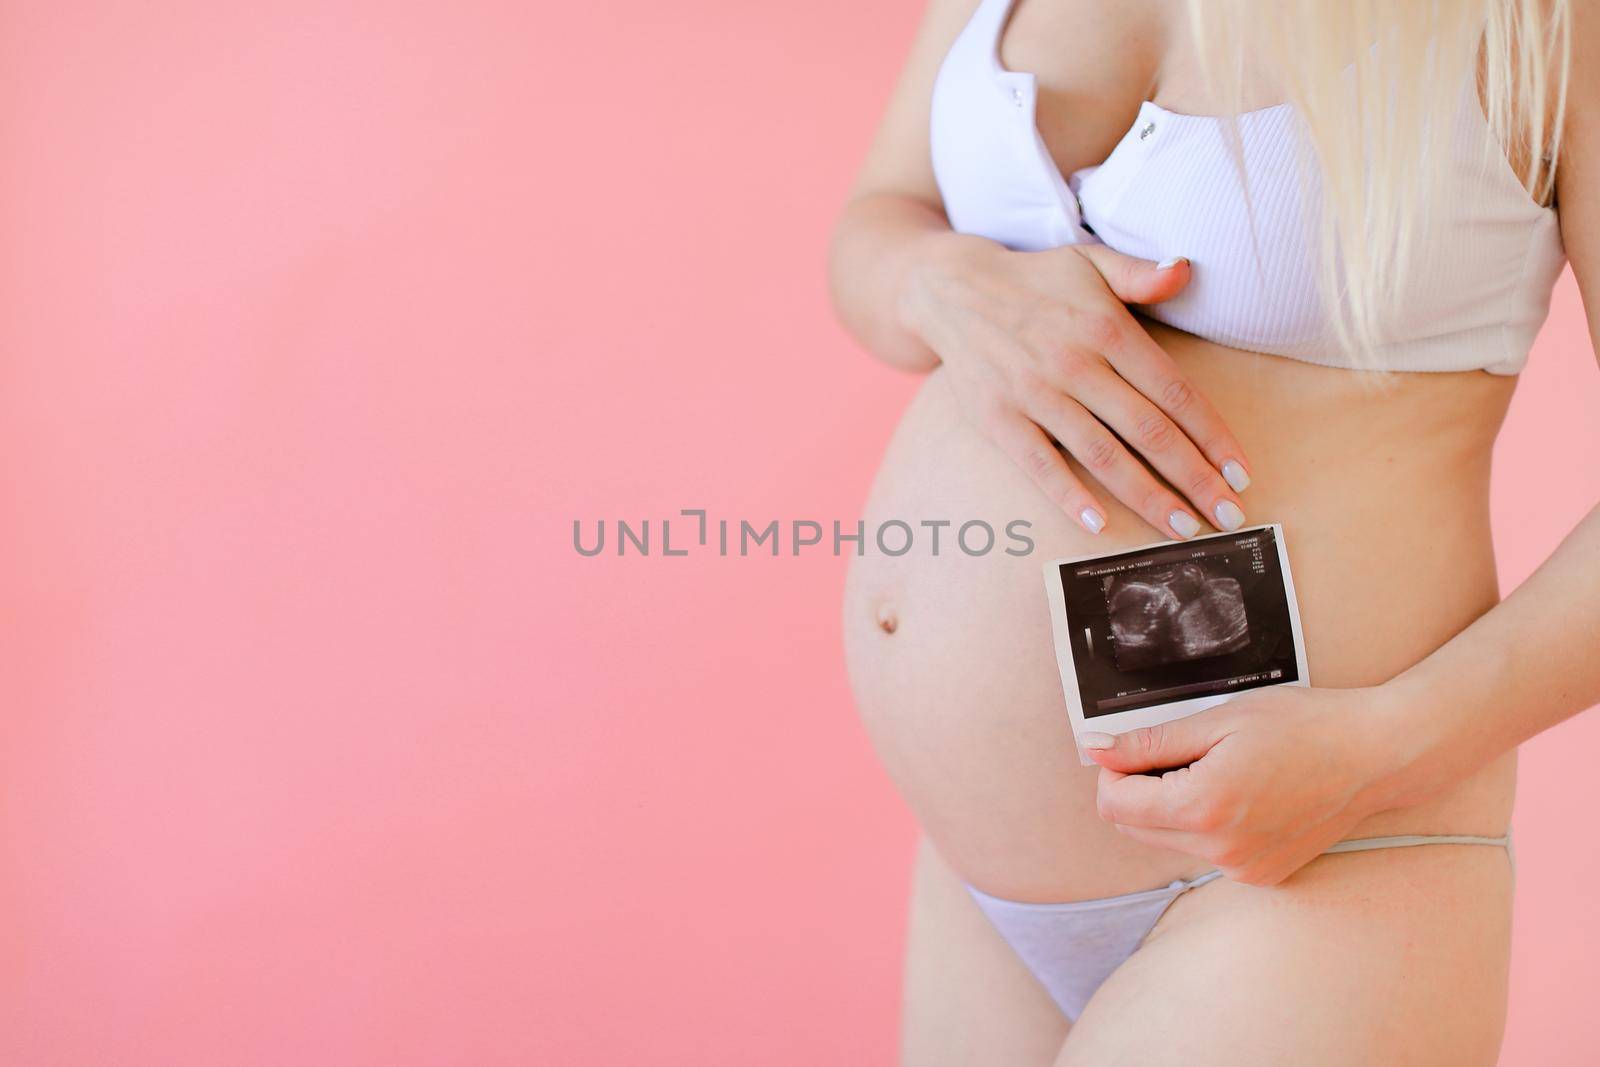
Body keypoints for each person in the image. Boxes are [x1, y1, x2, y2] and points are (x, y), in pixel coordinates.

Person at [827, 0, 1600, 1063]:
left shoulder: (1545, 25)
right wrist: (940, 279)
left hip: (1312, 867)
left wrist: (1381, 746)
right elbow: (884, 212)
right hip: (983, 883)